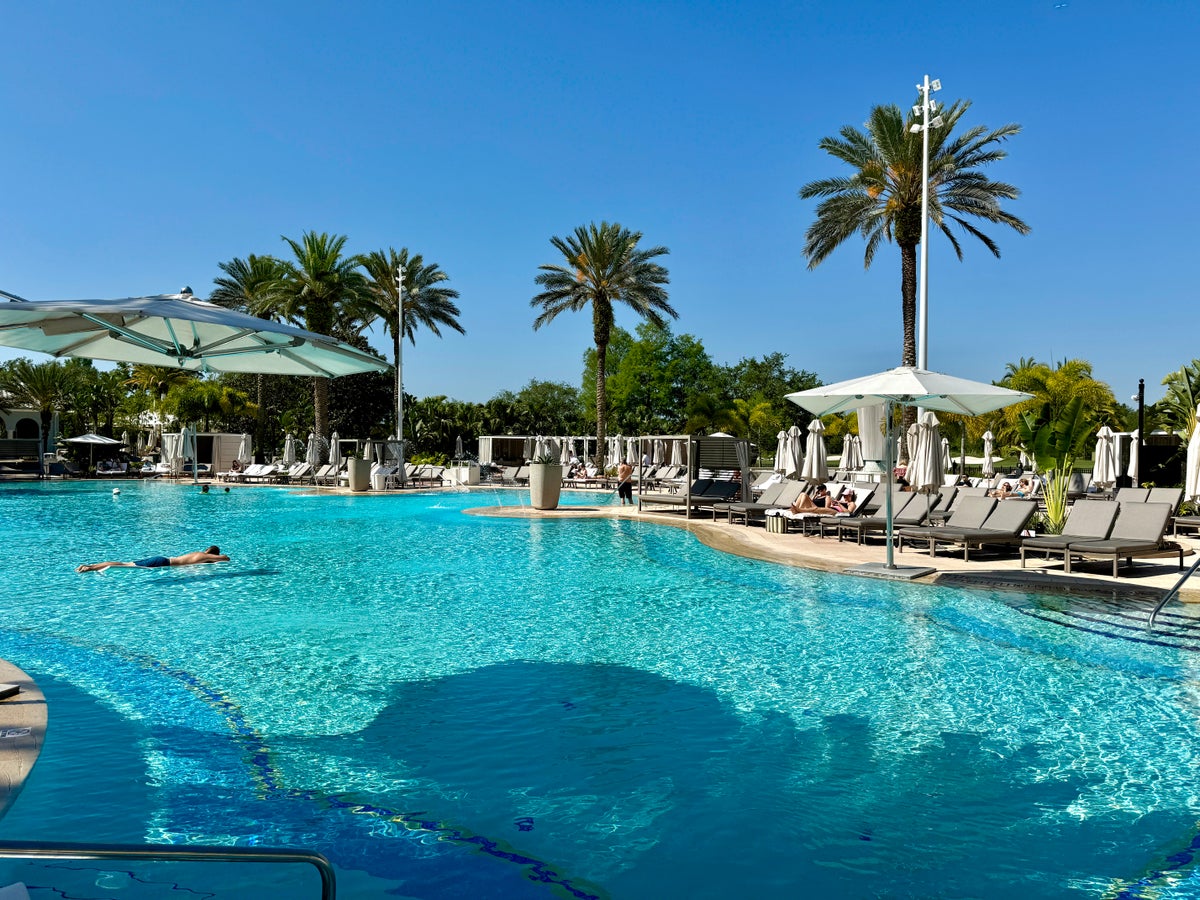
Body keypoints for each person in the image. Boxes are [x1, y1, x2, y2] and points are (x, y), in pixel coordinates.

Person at [76, 546, 229, 573]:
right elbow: (226, 558)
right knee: (127, 565)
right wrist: (214, 558)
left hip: (162, 559)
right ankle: (90, 568)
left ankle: (92, 566)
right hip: (162, 562)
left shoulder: (197, 554)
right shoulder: (204, 556)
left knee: (126, 563)